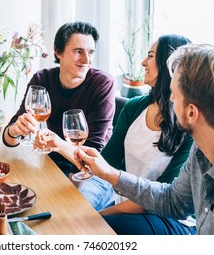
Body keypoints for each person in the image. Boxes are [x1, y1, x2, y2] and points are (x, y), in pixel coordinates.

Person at [76, 44, 214, 235]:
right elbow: (174, 201)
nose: (170, 99)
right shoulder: (203, 147)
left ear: (191, 112)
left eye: (174, 94)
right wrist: (109, 174)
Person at [35, 34, 195, 228]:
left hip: (163, 216)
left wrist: (99, 215)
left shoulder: (188, 123)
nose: (144, 62)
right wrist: (81, 202)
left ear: (171, 65)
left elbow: (166, 198)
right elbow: (106, 162)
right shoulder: (135, 107)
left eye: (151, 56)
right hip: (122, 205)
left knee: (89, 227)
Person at [2, 21, 115, 177]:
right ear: (58, 52)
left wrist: (58, 145)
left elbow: (92, 155)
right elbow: (9, 140)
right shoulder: (42, 79)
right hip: (54, 161)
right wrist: (15, 130)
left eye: (90, 52)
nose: (86, 59)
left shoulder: (102, 83)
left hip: (96, 171)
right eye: (78, 51)